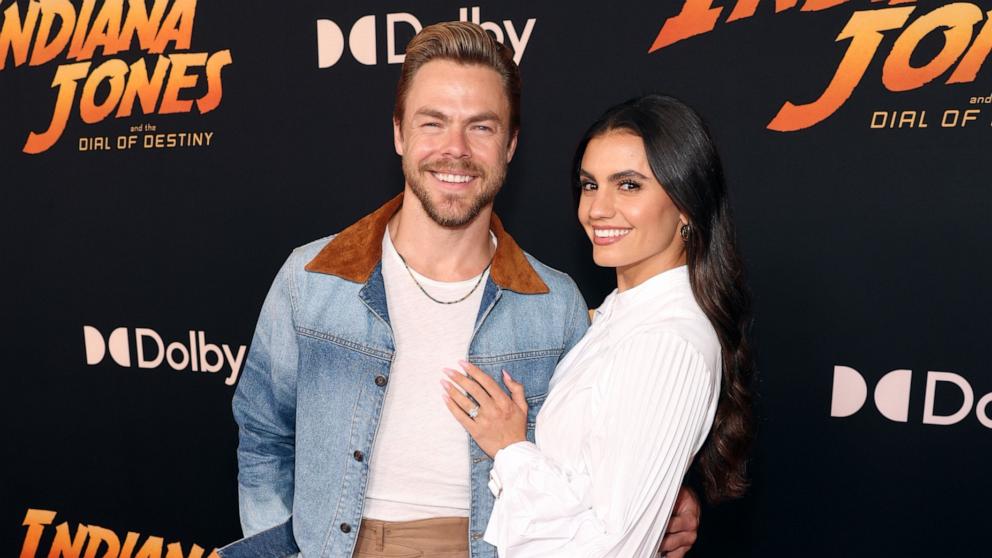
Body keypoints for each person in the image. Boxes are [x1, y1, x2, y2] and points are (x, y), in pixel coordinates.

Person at [220, 23, 700, 558]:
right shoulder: (311, 279)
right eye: (434, 123)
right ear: (399, 133)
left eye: (482, 128)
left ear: (511, 145)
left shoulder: (555, 303)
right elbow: (264, 439)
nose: (455, 150)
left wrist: (660, 496)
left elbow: (589, 459)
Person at [442, 94, 753, 557]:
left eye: (628, 186)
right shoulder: (619, 315)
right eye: (590, 185)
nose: (598, 209)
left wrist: (510, 449)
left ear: (686, 204)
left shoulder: (666, 343)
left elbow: (611, 548)